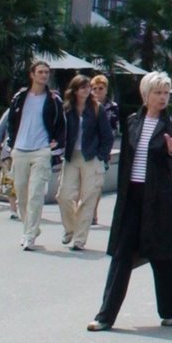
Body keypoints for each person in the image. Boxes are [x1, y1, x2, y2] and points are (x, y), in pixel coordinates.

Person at [86, 71, 172, 332]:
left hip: (160, 199)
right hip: (133, 196)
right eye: (158, 92)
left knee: (162, 256)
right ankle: (105, 315)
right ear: (145, 95)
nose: (163, 97)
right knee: (121, 255)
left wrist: (171, 152)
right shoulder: (132, 121)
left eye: (166, 93)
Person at [5, 60, 66, 250]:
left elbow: (61, 125)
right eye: (40, 72)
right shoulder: (20, 97)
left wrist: (56, 143)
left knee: (36, 195)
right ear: (32, 74)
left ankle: (29, 235)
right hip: (20, 150)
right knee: (22, 194)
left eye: (46, 72)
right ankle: (30, 228)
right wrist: (10, 145)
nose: (44, 76)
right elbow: (11, 121)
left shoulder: (54, 100)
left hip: (41, 151)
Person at [57, 74, 114, 250]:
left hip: (91, 157)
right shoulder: (67, 108)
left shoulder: (97, 108)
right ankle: (70, 229)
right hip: (71, 156)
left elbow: (108, 136)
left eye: (88, 87)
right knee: (64, 196)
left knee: (88, 198)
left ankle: (80, 239)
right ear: (74, 90)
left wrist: (101, 156)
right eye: (82, 87)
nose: (87, 90)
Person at [90, 74, 120, 226]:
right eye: (94, 88)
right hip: (87, 148)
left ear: (106, 89)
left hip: (102, 149)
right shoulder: (87, 105)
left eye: (100, 88)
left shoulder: (111, 107)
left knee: (97, 184)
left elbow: (114, 129)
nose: (97, 91)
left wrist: (106, 149)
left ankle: (93, 213)